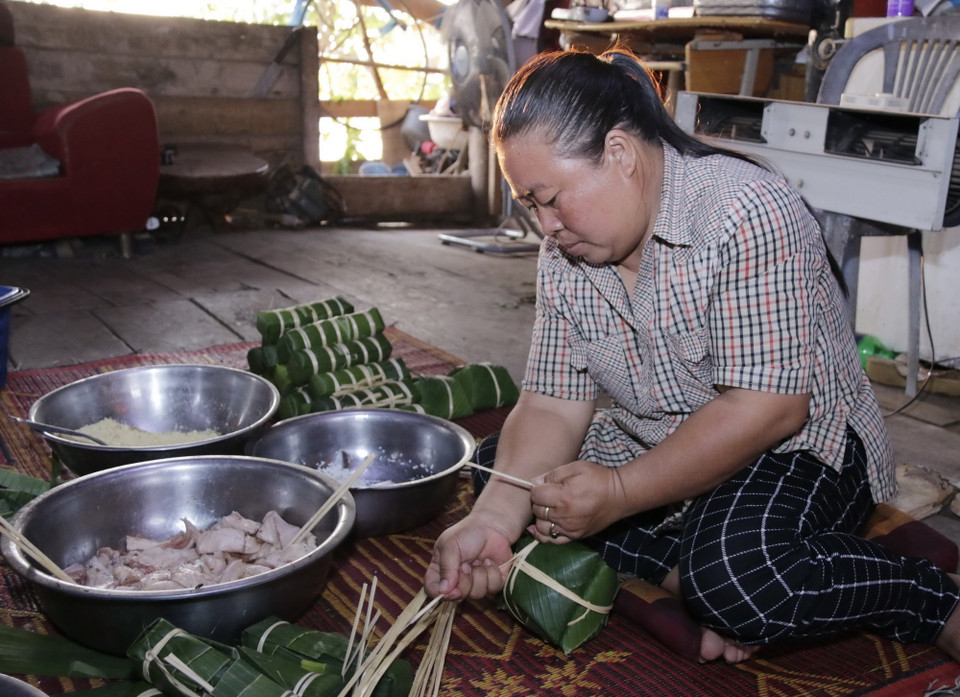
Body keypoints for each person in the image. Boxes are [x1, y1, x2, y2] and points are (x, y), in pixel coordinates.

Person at [423, 47, 960, 664]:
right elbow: (550, 403)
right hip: (658, 442)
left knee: (735, 576)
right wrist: (492, 522)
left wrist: (622, 493)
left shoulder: (743, 212)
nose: (545, 226)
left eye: (550, 198)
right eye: (530, 205)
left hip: (794, 446)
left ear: (620, 154)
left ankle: (933, 602)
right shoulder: (566, 257)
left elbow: (769, 410)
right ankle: (698, 579)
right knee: (502, 471)